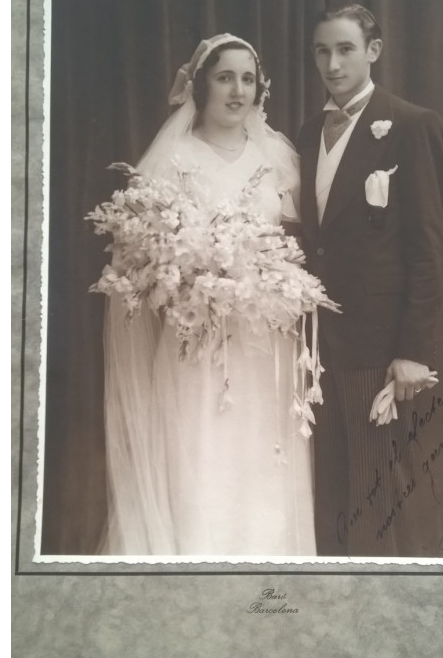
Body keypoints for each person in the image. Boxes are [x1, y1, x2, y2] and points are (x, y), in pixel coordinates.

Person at [100, 34, 316, 557]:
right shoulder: (173, 160)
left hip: (266, 348)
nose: (238, 90)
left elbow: (295, 248)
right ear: (201, 85)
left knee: (263, 463)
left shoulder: (279, 158)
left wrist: (267, 281)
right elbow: (142, 259)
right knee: (203, 455)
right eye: (225, 77)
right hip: (195, 346)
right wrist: (193, 277)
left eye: (247, 78)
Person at [297, 5, 443, 556]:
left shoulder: (411, 124)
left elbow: (428, 250)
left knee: (377, 496)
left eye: (345, 49)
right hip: (314, 348)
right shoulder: (309, 130)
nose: (332, 63)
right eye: (322, 51)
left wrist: (413, 350)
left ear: (374, 51)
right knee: (330, 493)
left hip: (377, 345)